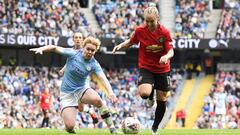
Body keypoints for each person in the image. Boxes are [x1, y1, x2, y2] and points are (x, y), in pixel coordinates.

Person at [30, 37, 118, 134]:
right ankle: (70, 127)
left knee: (98, 100)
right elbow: (55, 48)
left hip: (82, 89)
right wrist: (42, 48)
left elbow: (103, 78)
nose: (89, 52)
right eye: (88, 49)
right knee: (69, 126)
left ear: (95, 51)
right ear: (83, 47)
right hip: (67, 93)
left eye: (92, 50)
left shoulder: (94, 64)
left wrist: (111, 92)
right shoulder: (73, 53)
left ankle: (112, 128)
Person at [112, 6, 174, 135]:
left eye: (152, 21)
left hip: (162, 68)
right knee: (144, 93)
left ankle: (155, 128)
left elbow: (171, 51)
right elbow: (131, 41)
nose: (150, 24)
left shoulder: (165, 32)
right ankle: (150, 95)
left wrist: (166, 56)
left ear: (157, 18)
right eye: (147, 21)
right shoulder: (140, 30)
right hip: (146, 67)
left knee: (162, 99)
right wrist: (121, 45)